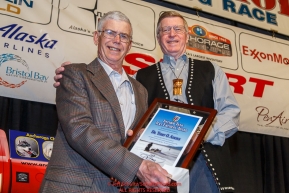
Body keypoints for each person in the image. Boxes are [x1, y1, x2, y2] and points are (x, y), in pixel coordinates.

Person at [54, 11, 240, 193]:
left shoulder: (211, 70)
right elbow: (126, 124)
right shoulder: (139, 79)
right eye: (165, 30)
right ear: (158, 38)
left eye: (177, 29)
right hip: (157, 167)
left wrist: (200, 134)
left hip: (204, 163)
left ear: (187, 35)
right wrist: (72, 75)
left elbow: (231, 112)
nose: (172, 34)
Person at [40, 11, 171, 193]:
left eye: (123, 36)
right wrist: (139, 167)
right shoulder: (75, 74)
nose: (117, 40)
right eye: (110, 33)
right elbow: (79, 130)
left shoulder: (140, 90)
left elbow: (132, 139)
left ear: (130, 45)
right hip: (76, 186)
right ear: (96, 37)